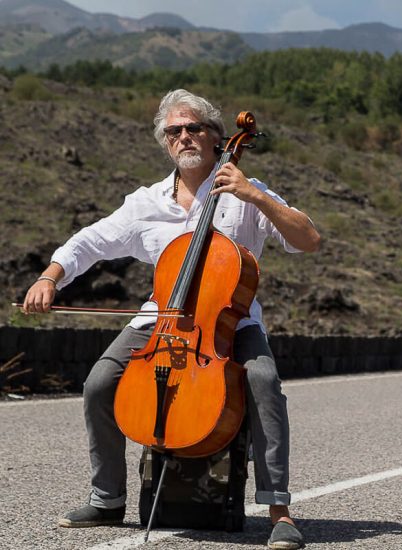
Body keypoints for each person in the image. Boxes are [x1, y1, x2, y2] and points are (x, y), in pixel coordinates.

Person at [22, 89, 320, 550]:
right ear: (165, 143)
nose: (184, 136)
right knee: (100, 382)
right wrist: (50, 277)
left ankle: (279, 510)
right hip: (160, 318)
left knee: (262, 379)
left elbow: (307, 239)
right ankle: (106, 499)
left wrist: (255, 196)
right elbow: (89, 242)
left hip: (230, 323)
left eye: (194, 128)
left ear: (219, 138)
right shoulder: (146, 202)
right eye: (174, 131)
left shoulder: (246, 192)